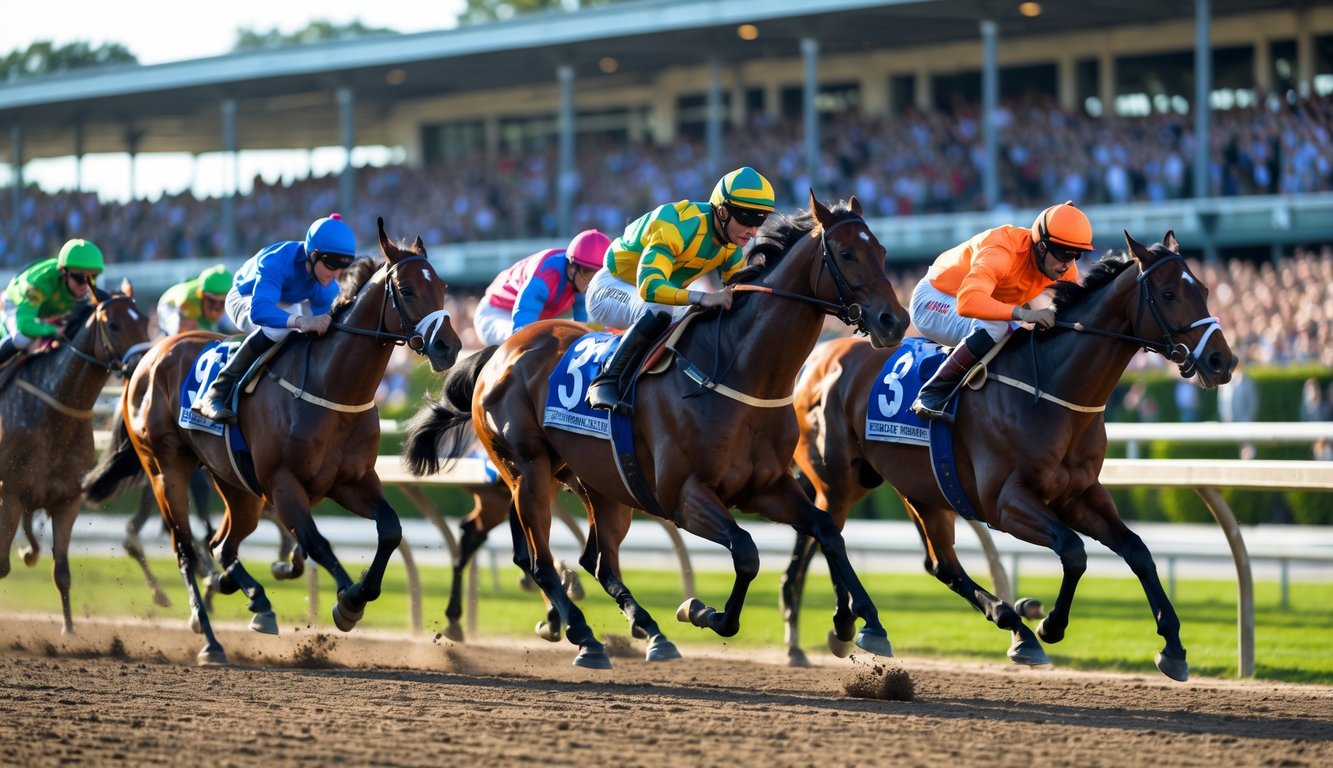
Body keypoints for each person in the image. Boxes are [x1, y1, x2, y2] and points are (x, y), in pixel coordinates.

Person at [584, 166, 775, 413]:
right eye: (747, 220)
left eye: (759, 221)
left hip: (649, 297)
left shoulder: (731, 246)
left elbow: (739, 294)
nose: (753, 231)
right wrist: (703, 297)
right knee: (662, 308)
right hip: (611, 287)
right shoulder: (676, 224)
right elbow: (650, 288)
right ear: (724, 211)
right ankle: (606, 381)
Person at [908, 200, 1091, 421]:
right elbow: (967, 302)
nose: (1068, 264)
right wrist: (1024, 314)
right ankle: (934, 391)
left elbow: (1082, 310)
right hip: (935, 298)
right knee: (997, 326)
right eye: (1063, 254)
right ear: (1041, 246)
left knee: (1020, 335)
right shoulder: (1002, 250)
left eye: (1076, 255)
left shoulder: (1062, 266)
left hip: (980, 304)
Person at [193, 213, 356, 423]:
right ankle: (216, 391)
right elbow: (260, 310)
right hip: (247, 297)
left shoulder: (325, 281)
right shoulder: (278, 261)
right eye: (332, 265)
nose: (336, 275)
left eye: (344, 267)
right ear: (313, 254)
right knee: (281, 329)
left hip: (286, 300)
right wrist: (300, 321)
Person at [473, 229, 611, 346]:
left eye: (600, 275)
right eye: (589, 274)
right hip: (496, 313)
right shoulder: (544, 277)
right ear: (571, 267)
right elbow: (521, 333)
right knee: (531, 340)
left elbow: (586, 332)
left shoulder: (580, 281)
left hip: (537, 317)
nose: (594, 283)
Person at [0, 238, 104, 366]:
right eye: (80, 278)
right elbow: (25, 325)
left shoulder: (83, 287)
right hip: (16, 305)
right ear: (64, 272)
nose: (86, 284)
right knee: (21, 339)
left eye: (92, 277)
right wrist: (52, 330)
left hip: (44, 311)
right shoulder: (39, 285)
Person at [156, 264, 235, 337]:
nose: (215, 308)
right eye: (211, 300)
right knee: (185, 332)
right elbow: (184, 337)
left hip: (196, 311)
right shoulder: (188, 301)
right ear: (200, 295)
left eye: (222, 302)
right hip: (171, 306)